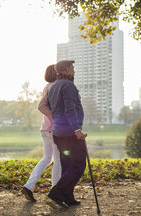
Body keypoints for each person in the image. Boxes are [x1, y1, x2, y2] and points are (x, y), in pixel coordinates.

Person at [47, 60, 87, 208]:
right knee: (78, 164)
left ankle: (68, 196)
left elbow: (54, 109)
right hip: (70, 132)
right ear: (67, 70)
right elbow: (69, 109)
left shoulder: (53, 87)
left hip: (58, 132)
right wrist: (77, 130)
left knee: (67, 164)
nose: (74, 71)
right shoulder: (68, 86)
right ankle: (55, 194)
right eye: (73, 68)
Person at [22, 65, 61, 202]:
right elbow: (41, 106)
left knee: (47, 158)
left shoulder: (47, 86)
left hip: (45, 128)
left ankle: (29, 186)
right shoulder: (54, 86)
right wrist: (55, 118)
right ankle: (55, 191)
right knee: (58, 160)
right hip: (52, 128)